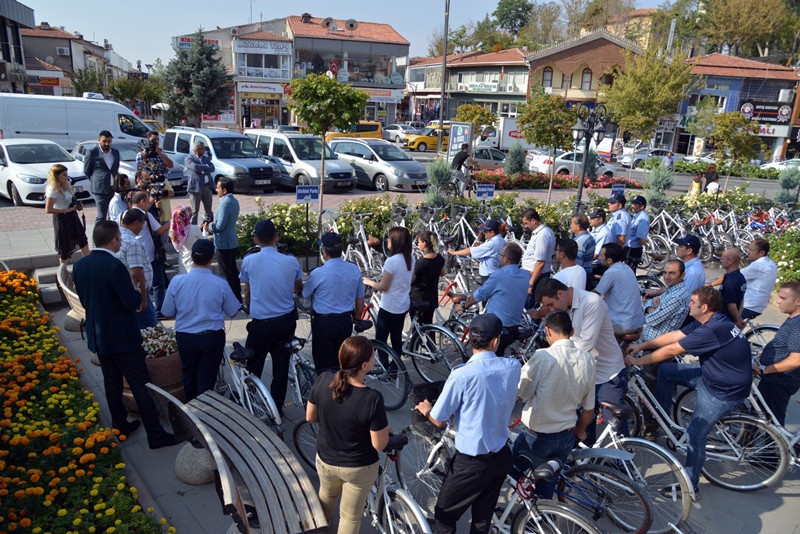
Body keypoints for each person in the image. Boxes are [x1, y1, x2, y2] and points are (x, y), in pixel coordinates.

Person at [625, 286, 751, 491]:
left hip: (723, 390)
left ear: (704, 307)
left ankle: (690, 486)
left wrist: (637, 361)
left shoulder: (712, 329)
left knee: (695, 435)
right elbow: (676, 335)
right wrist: (642, 346)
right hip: (712, 375)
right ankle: (662, 420)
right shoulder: (711, 319)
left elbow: (673, 349)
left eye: (693, 302)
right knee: (666, 371)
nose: (689, 305)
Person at [72, 220, 178, 449]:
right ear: (113, 240)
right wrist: (138, 292)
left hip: (100, 337)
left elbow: (85, 300)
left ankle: (119, 425)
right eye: (119, 238)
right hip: (123, 339)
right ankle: (155, 435)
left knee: (112, 383)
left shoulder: (80, 265)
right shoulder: (114, 266)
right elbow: (130, 302)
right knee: (141, 385)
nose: (121, 241)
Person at [414, 314, 521, 534]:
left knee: (444, 514)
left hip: (471, 463)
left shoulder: (461, 375)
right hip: (500, 456)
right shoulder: (512, 367)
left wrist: (427, 410)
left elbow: (439, 419)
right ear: (496, 340)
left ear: (470, 339)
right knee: (482, 518)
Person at [306, 336, 390, 534]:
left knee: (326, 497)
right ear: (364, 366)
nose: (374, 358)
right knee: (350, 517)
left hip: (326, 460)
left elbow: (310, 417)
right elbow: (379, 444)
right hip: (358, 467)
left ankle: (319, 529)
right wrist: (384, 430)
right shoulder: (372, 398)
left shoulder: (324, 379)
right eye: (372, 356)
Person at [511, 311, 596, 498]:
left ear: (547, 330)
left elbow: (522, 392)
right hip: (566, 436)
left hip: (537, 436)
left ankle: (523, 507)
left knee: (510, 470)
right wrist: (580, 431)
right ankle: (542, 513)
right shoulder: (588, 360)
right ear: (571, 332)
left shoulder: (543, 357)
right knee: (547, 485)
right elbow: (589, 408)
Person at [539, 279, 628, 438]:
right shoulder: (564, 308)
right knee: (582, 425)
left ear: (561, 293)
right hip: (584, 374)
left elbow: (587, 343)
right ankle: (586, 453)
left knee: (615, 428)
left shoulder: (592, 303)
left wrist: (555, 359)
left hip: (607, 375)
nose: (552, 310)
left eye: (551, 304)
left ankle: (624, 454)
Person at [160, 239, 241, 401]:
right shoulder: (220, 283)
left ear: (191, 257)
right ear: (211, 259)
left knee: (188, 375)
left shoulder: (177, 281)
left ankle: (191, 408)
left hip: (186, 338)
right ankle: (204, 408)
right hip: (212, 338)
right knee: (206, 378)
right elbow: (233, 312)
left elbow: (166, 312)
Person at [240, 219, 303, 409]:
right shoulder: (291, 261)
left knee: (253, 365)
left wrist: (250, 307)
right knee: (281, 367)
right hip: (285, 321)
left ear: (256, 240)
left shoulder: (249, 261)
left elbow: (248, 290)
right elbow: (297, 287)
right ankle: (277, 408)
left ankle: (251, 403)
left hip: (261, 324)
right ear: (276, 237)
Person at [303, 232, 365, 374]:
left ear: (324, 252)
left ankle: (327, 386)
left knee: (324, 363)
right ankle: (342, 384)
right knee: (343, 360)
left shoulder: (318, 273)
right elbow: (360, 297)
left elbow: (306, 294)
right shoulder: (354, 269)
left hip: (324, 322)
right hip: (345, 320)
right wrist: (357, 317)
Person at [452, 243, 529, 356]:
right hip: (514, 326)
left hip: (497, 330)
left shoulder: (499, 275)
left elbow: (479, 295)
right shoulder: (525, 275)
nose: (498, 258)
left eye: (500, 255)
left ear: (506, 259)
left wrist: (463, 305)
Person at [753, 282, 800, 426]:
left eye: (783, 298)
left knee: (773, 422)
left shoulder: (798, 325)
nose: (778, 301)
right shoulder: (793, 318)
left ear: (798, 301)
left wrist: (765, 370)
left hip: (779, 381)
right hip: (774, 379)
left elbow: (796, 359)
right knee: (760, 413)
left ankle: (772, 441)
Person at [363, 227, 414, 358]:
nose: (387, 240)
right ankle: (396, 366)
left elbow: (383, 287)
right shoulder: (411, 258)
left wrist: (369, 282)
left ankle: (384, 366)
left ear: (396, 241)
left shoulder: (391, 261)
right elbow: (409, 278)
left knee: (381, 340)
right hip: (403, 305)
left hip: (389, 307)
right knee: (396, 338)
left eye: (389, 238)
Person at [202, 177, 242, 303]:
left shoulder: (225, 203)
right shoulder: (234, 200)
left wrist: (208, 227)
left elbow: (220, 226)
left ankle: (231, 301)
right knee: (233, 272)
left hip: (224, 243)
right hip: (231, 241)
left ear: (224, 190)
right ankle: (237, 298)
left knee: (226, 274)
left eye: (218, 188)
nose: (216, 190)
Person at [131, 191, 169, 316]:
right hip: (149, 255)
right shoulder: (145, 215)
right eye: (148, 202)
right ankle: (159, 310)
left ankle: (140, 308)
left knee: (138, 284)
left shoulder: (124, 214)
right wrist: (173, 222)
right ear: (142, 202)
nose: (149, 204)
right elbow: (160, 230)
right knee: (158, 283)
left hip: (133, 255)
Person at [594, 243, 645, 337]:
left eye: (601, 255)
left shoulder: (611, 272)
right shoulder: (626, 267)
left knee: (590, 323)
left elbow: (594, 295)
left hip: (622, 325)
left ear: (609, 260)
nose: (599, 257)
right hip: (637, 323)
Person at [118, 209, 157, 329]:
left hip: (124, 293)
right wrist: (143, 300)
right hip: (137, 294)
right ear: (136, 223)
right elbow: (136, 274)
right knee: (149, 329)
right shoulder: (132, 243)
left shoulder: (116, 237)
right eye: (142, 224)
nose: (142, 228)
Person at [44, 164, 89, 264]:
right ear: (56, 176)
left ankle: (88, 265)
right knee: (64, 246)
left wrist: (76, 205)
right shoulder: (52, 189)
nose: (66, 176)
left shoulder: (65, 185)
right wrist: (66, 210)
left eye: (67, 174)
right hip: (61, 218)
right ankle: (63, 270)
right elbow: (48, 209)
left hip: (72, 215)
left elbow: (70, 199)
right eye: (64, 175)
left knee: (83, 240)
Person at [641, 259, 689, 342]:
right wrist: (655, 309)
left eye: (672, 273)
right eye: (665, 272)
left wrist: (650, 308)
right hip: (647, 335)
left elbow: (651, 320)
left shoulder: (677, 297)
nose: (666, 277)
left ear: (682, 275)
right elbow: (652, 301)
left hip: (653, 341)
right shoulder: (672, 288)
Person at [409, 230, 446, 325]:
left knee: (417, 327)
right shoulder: (440, 258)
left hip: (419, 299)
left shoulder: (421, 262)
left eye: (419, 242)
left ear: (424, 243)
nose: (418, 244)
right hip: (432, 298)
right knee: (429, 324)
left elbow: (411, 280)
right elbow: (443, 273)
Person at [521, 209, 556, 309]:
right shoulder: (543, 232)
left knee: (528, 307)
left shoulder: (542, 235)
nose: (525, 226)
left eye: (526, 223)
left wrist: (531, 283)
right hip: (536, 275)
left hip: (535, 276)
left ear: (533, 221)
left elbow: (540, 263)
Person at [83, 130, 120, 223]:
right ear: (99, 140)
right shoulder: (92, 152)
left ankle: (111, 232)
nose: (106, 144)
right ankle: (97, 233)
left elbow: (116, 168)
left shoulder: (115, 153)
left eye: (109, 141)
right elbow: (87, 170)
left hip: (113, 188)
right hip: (100, 190)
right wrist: (97, 180)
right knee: (101, 216)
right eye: (104, 141)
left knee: (113, 215)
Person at [739, 239, 778, 320]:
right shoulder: (771, 263)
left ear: (762, 253)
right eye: (748, 249)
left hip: (748, 305)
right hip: (758, 305)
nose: (748, 252)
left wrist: (712, 283)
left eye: (751, 250)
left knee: (721, 317)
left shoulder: (759, 265)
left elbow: (733, 276)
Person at [709, 248, 746, 329]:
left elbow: (731, 305)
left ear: (730, 261)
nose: (721, 261)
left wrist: (737, 321)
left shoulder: (730, 281)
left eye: (723, 259)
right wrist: (739, 316)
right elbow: (741, 299)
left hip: (724, 320)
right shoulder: (741, 277)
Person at [185, 141, 215, 225]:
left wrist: (203, 170)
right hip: (195, 188)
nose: (204, 150)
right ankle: (193, 228)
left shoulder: (206, 158)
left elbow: (212, 168)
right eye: (202, 149)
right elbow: (195, 167)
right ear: (196, 149)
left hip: (207, 187)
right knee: (195, 211)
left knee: (208, 210)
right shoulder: (189, 158)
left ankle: (207, 226)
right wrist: (206, 167)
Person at [169, 206, 203, 274]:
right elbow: (204, 241)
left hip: (182, 261)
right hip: (193, 261)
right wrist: (205, 231)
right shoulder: (194, 228)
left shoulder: (173, 231)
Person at [588, 208, 614, 289]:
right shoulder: (595, 230)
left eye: (592, 218)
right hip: (593, 265)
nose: (590, 220)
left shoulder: (604, 233)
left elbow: (596, 255)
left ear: (600, 219)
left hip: (598, 267)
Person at [625, 195, 650, 270]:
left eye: (634, 204)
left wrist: (648, 248)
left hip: (633, 250)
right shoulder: (636, 216)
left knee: (629, 272)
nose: (632, 206)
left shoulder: (643, 219)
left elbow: (640, 238)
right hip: (629, 248)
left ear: (641, 207)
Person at [571, 215, 596, 283]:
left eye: (572, 223)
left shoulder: (580, 241)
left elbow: (577, 263)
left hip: (581, 276)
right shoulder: (589, 237)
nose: (571, 226)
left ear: (578, 226)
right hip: (588, 273)